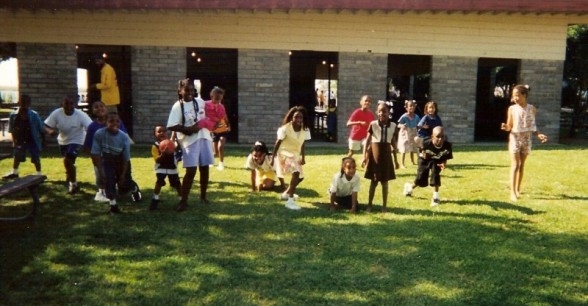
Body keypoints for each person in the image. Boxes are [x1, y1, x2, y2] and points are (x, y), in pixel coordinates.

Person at [167, 79, 214, 212]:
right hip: (189, 140)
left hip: (204, 137)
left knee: (204, 167)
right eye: (187, 90)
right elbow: (171, 124)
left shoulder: (199, 102)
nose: (190, 93)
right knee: (191, 170)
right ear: (180, 91)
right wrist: (187, 130)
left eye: (192, 90)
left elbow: (211, 113)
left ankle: (203, 196)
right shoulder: (177, 106)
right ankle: (183, 200)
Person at [83, 100, 141, 203]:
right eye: (96, 107)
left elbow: (124, 139)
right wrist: (95, 160)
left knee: (124, 184)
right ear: (92, 111)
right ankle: (103, 192)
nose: (99, 108)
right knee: (104, 177)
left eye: (101, 106)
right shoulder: (93, 127)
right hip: (102, 157)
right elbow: (88, 145)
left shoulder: (116, 121)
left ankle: (132, 189)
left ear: (106, 108)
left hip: (118, 156)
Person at [500, 84, 548, 201]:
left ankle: (517, 189)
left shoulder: (532, 109)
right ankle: (512, 192)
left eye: (517, 95)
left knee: (521, 165)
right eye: (513, 96)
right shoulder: (511, 109)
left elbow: (533, 125)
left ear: (524, 95)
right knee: (515, 165)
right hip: (515, 138)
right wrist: (505, 127)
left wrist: (539, 135)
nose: (515, 98)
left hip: (527, 138)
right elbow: (509, 126)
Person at [44, 95, 93, 194]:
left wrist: (89, 143)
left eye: (71, 103)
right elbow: (46, 125)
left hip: (78, 140)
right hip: (63, 141)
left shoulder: (81, 115)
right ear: (62, 104)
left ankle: (73, 185)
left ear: (74, 104)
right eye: (66, 103)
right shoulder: (57, 113)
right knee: (69, 163)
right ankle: (70, 176)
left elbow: (91, 128)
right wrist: (50, 131)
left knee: (67, 160)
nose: (69, 106)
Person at [90, 112, 134, 214]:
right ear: (106, 122)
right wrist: (101, 172)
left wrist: (122, 175)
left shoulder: (124, 137)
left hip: (121, 160)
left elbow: (126, 159)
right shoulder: (99, 134)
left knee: (124, 183)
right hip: (107, 160)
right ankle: (113, 205)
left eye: (117, 121)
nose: (114, 123)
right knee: (108, 181)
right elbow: (95, 154)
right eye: (111, 121)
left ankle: (134, 189)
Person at [271, 106, 311, 210]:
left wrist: (303, 157)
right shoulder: (284, 129)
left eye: (300, 118)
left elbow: (302, 144)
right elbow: (278, 142)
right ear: (291, 118)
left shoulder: (305, 130)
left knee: (300, 177)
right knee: (296, 172)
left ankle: (287, 193)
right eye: (296, 117)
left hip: (295, 155)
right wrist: (272, 158)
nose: (298, 120)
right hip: (284, 153)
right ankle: (290, 201)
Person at [403, 126, 453, 207]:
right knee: (421, 178)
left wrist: (444, 164)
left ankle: (436, 198)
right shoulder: (426, 142)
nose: (440, 139)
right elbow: (416, 139)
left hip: (437, 160)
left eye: (442, 136)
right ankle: (409, 188)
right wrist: (422, 151)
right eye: (437, 137)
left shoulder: (447, 146)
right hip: (424, 159)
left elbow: (446, 156)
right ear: (432, 137)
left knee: (435, 175)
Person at [362, 101, 396, 213]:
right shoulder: (373, 125)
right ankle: (369, 205)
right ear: (377, 112)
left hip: (386, 157)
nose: (382, 113)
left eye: (384, 111)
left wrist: (396, 160)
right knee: (373, 181)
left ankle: (384, 206)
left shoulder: (393, 126)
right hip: (375, 157)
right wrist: (364, 157)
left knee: (385, 182)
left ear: (388, 112)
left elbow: (393, 143)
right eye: (380, 111)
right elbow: (367, 142)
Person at [3, 95, 46, 179]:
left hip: (32, 139)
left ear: (29, 104)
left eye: (27, 103)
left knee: (35, 157)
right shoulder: (13, 115)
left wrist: (43, 140)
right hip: (20, 139)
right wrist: (14, 141)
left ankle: (39, 174)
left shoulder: (34, 115)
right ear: (19, 102)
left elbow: (41, 128)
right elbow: (12, 129)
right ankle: (14, 172)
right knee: (17, 156)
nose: (24, 105)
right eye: (23, 102)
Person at [149, 125, 182, 210]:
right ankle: (155, 198)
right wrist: (163, 154)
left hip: (172, 168)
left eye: (164, 131)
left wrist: (177, 145)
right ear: (154, 134)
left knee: (177, 184)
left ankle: (182, 199)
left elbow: (176, 148)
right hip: (161, 168)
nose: (162, 133)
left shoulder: (171, 143)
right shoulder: (155, 146)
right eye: (159, 131)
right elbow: (157, 160)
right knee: (159, 183)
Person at [206, 86, 231, 171]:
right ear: (211, 96)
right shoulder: (207, 105)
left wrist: (228, 125)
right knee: (214, 152)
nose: (218, 101)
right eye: (216, 99)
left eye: (220, 99)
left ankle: (221, 164)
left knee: (221, 146)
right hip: (214, 131)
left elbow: (225, 117)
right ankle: (210, 161)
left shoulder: (221, 107)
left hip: (223, 130)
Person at [397, 100, 421, 168]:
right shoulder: (404, 116)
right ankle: (402, 164)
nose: (412, 107)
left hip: (413, 132)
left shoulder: (416, 117)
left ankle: (412, 161)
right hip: (405, 133)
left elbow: (419, 124)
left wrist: (422, 126)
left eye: (413, 106)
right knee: (404, 147)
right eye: (410, 106)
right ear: (406, 108)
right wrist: (402, 126)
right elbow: (398, 124)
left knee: (413, 146)